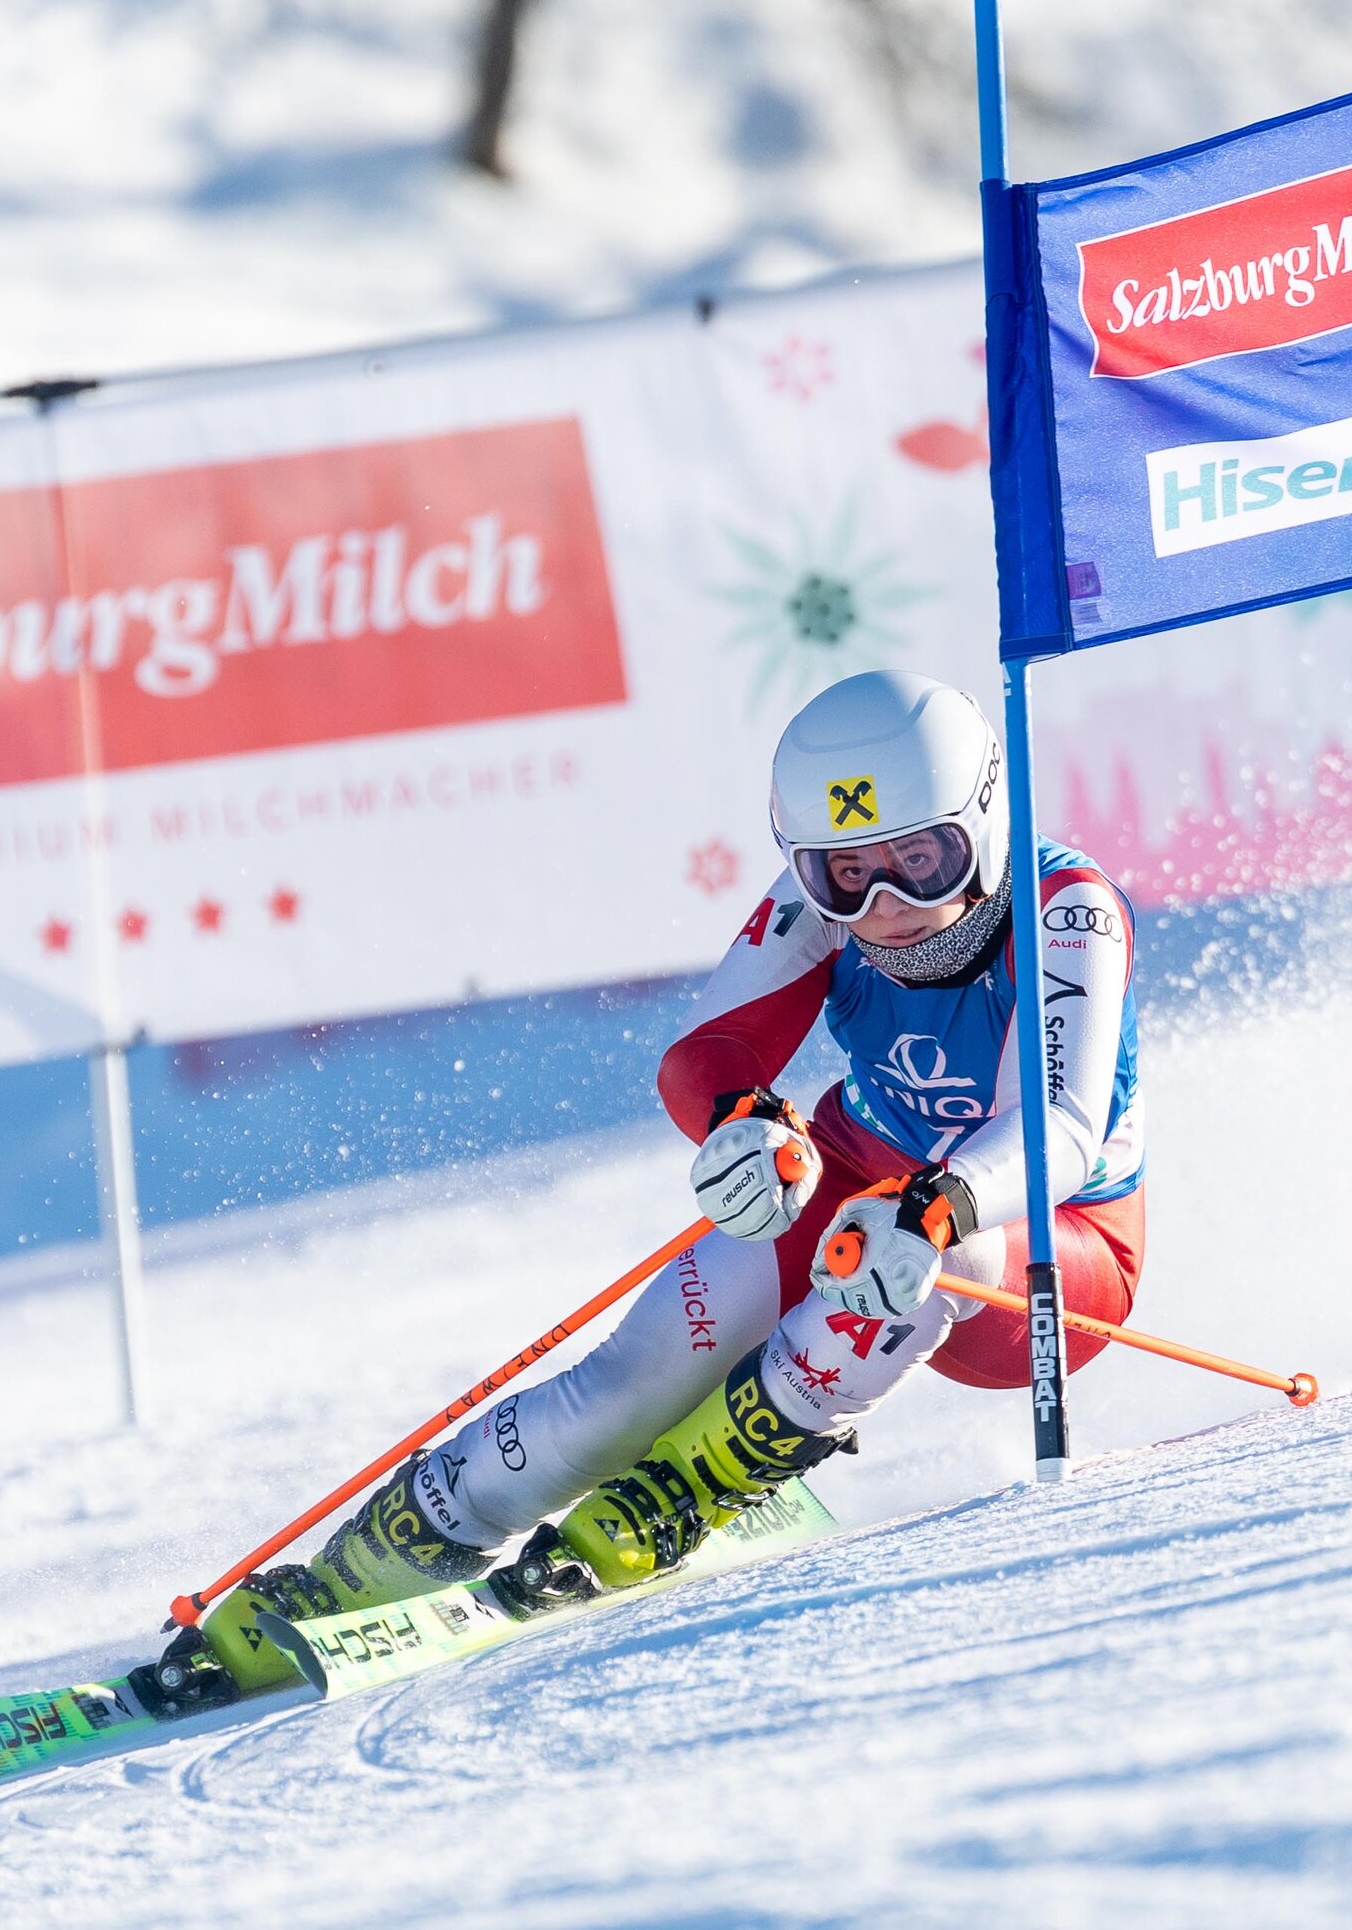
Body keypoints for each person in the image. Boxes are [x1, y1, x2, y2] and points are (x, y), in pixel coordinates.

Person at [147, 669, 1147, 1707]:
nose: (881, 906)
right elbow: (704, 1055)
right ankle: (365, 1568)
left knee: (920, 1248)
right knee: (629, 1384)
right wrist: (743, 1121)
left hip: (1047, 1252)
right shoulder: (814, 911)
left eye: (920, 860)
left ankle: (695, 1483)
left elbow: (1060, 1129)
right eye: (844, 874)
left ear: (982, 820)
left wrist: (940, 1205)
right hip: (862, 1182)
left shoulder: (1069, 911)